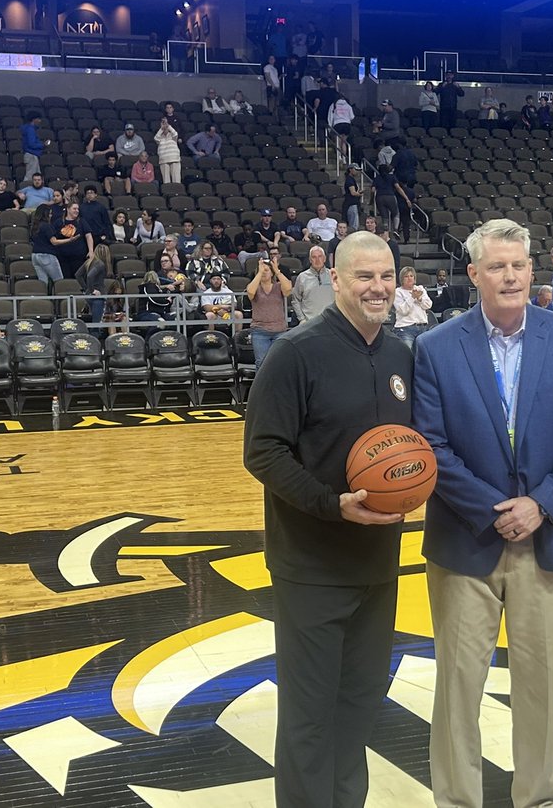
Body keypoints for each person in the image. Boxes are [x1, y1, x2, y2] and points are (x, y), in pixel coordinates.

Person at [411, 218, 553, 808]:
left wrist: (541, 504)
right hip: (467, 543)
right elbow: (431, 444)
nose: (511, 275)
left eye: (519, 264)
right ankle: (457, 801)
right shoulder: (436, 347)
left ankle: (537, 798)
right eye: (497, 266)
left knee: (540, 685)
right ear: (474, 274)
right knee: (459, 688)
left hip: (547, 542)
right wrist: (496, 510)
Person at [242, 231, 410, 808]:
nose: (378, 287)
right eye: (364, 276)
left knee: (359, 710)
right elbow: (262, 451)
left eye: (386, 276)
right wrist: (328, 502)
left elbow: (409, 456)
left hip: (378, 566)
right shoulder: (296, 352)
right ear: (335, 280)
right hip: (310, 565)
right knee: (309, 718)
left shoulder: (398, 355)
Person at [245, 252, 291, 367]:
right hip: (260, 331)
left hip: (279, 330)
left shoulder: (278, 286)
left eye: (267, 270)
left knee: (280, 364)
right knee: (261, 363)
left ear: (272, 273)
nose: (264, 272)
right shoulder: (255, 287)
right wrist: (259, 273)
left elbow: (288, 289)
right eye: (262, 270)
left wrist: (277, 270)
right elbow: (250, 292)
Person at [291, 246, 333, 323]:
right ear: (310, 260)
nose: (317, 260)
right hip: (309, 323)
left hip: (330, 321)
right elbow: (295, 300)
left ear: (324, 259)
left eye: (320, 256)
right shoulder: (302, 277)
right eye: (314, 257)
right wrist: (302, 319)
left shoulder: (333, 275)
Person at [393, 266, 433, 347]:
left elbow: (428, 305)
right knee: (408, 355)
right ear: (402, 279)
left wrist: (419, 298)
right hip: (405, 329)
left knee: (424, 355)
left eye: (411, 276)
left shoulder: (420, 289)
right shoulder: (397, 292)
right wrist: (412, 297)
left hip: (422, 327)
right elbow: (403, 310)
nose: (409, 278)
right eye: (406, 276)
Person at [76, 245, 112, 326]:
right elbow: (89, 276)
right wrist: (92, 290)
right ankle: (95, 337)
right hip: (98, 296)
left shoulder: (89, 262)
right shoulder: (100, 264)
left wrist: (86, 289)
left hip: (89, 295)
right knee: (97, 323)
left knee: (94, 322)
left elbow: (78, 275)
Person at [20, 112, 51, 184]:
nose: (40, 121)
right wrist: (43, 145)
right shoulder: (30, 129)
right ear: (34, 119)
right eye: (38, 119)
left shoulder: (29, 129)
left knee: (37, 177)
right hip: (31, 155)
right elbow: (32, 144)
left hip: (33, 155)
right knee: (30, 177)